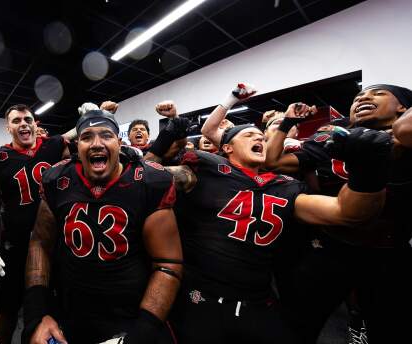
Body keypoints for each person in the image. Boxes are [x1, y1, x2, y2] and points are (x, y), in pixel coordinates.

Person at [154, 118, 390, 343]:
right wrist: (162, 143)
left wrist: (367, 172)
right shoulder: (204, 171)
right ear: (227, 147)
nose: (259, 139)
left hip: (257, 299)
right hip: (198, 297)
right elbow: (147, 179)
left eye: (261, 137)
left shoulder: (285, 186)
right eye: (248, 135)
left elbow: (347, 213)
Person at [264, 84, 412, 343]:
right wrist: (287, 121)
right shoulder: (335, 135)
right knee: (298, 323)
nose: (364, 97)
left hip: (388, 251)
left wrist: (391, 134)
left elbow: (405, 130)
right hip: (332, 245)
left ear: (403, 106)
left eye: (378, 94)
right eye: (358, 97)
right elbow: (274, 161)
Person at [23, 110, 183, 344]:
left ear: (119, 143)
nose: (97, 143)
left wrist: (142, 332)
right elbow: (40, 245)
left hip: (131, 314)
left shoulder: (149, 181)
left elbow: (167, 263)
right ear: (78, 146)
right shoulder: (57, 179)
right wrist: (37, 315)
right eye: (87, 137)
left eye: (106, 135)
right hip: (72, 313)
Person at [0, 104, 76, 344]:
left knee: (60, 305)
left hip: (56, 244)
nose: (23, 124)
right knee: (8, 309)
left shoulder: (53, 147)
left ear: (35, 124)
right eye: (16, 121)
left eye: (27, 119)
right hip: (16, 247)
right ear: (8, 127)